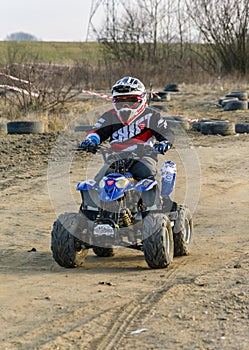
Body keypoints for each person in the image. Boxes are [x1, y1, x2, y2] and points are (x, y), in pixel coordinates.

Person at [79, 76, 174, 208]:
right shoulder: (110, 116)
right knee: (99, 181)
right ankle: (91, 215)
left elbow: (166, 132)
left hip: (144, 157)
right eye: (120, 102)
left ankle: (158, 207)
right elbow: (97, 131)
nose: (125, 106)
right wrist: (90, 141)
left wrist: (165, 143)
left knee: (149, 177)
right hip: (115, 158)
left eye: (131, 101)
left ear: (142, 99)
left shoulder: (152, 115)